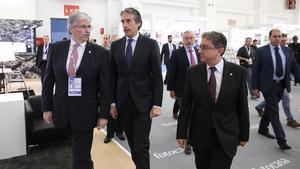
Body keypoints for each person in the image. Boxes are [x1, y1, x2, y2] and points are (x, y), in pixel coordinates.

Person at [42, 12, 111, 169]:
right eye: (82, 27)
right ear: (71, 28)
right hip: (62, 110)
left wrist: (104, 114)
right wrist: (46, 107)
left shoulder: (100, 53)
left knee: (81, 156)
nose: (87, 30)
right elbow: (48, 81)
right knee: (74, 152)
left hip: (85, 112)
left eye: (89, 27)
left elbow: (105, 87)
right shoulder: (57, 48)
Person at [177, 31, 249, 169]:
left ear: (219, 51)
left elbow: (242, 106)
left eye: (205, 47)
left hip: (226, 136)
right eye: (200, 46)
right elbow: (186, 106)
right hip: (200, 135)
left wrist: (244, 134)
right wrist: (181, 133)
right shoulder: (192, 72)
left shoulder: (238, 73)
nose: (199, 50)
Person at [110, 7, 163, 169]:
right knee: (133, 143)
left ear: (138, 23)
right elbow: (113, 77)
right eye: (123, 22)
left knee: (141, 145)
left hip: (143, 104)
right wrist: (112, 103)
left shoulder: (150, 44)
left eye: (129, 21)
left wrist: (157, 104)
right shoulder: (116, 45)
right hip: (123, 103)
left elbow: (157, 77)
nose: (125, 25)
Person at [252, 29, 300, 150]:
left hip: (282, 84)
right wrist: (254, 87)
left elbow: (294, 67)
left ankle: (262, 128)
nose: (278, 39)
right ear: (270, 37)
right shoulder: (261, 51)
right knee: (274, 110)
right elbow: (255, 70)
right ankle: (281, 140)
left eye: (279, 36)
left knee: (269, 107)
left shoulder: (287, 50)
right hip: (268, 85)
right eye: (275, 36)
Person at [167, 30, 200, 154]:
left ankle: (195, 135)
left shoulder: (199, 51)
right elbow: (172, 72)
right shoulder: (176, 53)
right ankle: (187, 141)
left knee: (196, 114)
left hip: (198, 89)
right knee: (187, 114)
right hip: (182, 90)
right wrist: (171, 89)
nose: (189, 40)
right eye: (186, 38)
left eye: (191, 38)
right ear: (182, 39)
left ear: (194, 39)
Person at [101, 33, 126, 144]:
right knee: (110, 110)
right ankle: (110, 133)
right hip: (108, 85)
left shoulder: (124, 53)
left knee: (120, 110)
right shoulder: (104, 52)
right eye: (113, 40)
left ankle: (120, 131)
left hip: (120, 86)